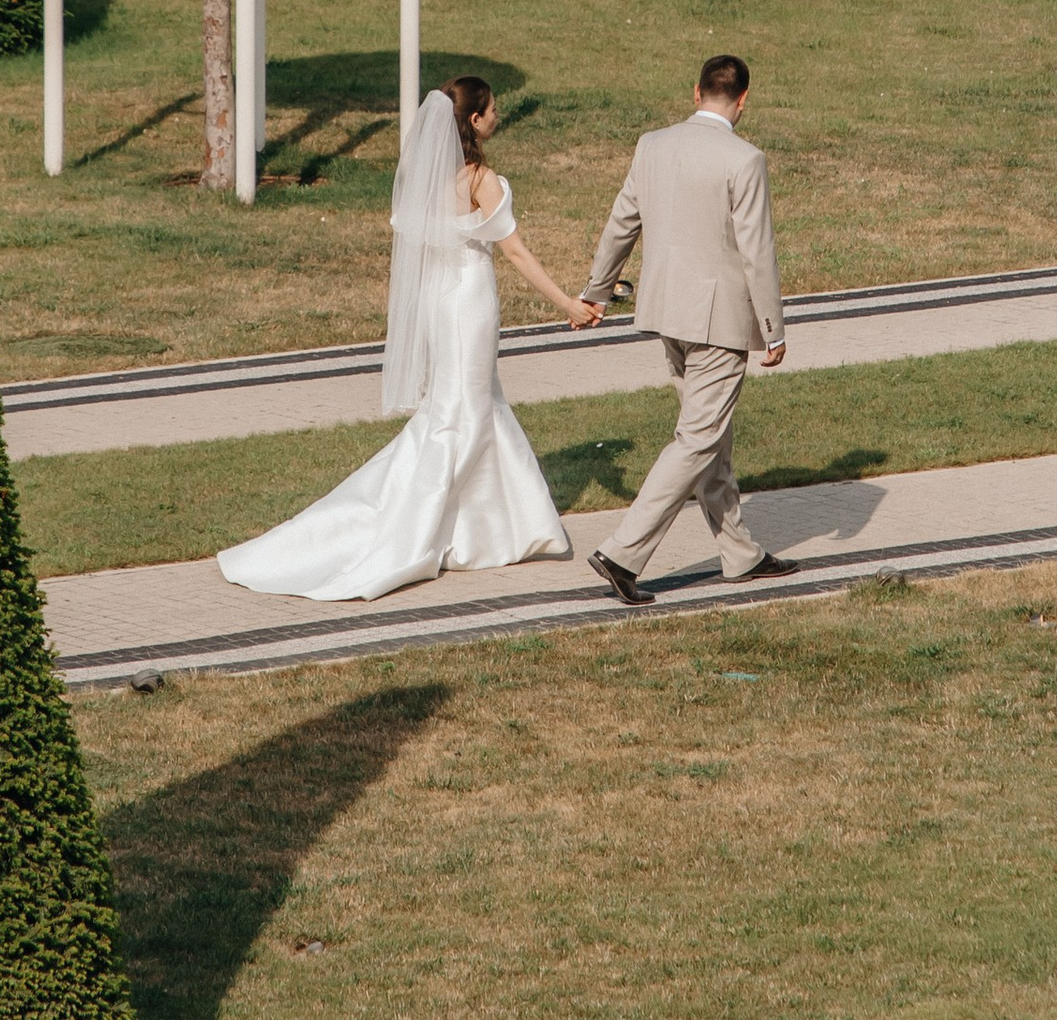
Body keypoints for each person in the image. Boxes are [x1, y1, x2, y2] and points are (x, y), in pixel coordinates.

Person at [215, 74, 595, 603]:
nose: (498, 115)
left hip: (442, 300)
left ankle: (479, 528)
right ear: (477, 120)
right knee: (465, 410)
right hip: (468, 300)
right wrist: (567, 304)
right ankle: (434, 529)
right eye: (493, 109)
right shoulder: (480, 178)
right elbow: (516, 253)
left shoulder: (427, 176)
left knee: (464, 405)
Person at [578, 52, 794, 606]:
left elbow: (622, 220)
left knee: (708, 437)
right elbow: (758, 251)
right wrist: (773, 328)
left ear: (695, 92)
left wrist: (597, 291)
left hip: (663, 313)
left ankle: (739, 553)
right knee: (697, 438)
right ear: (743, 100)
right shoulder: (745, 159)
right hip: (718, 323)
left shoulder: (653, 144)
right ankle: (623, 553)